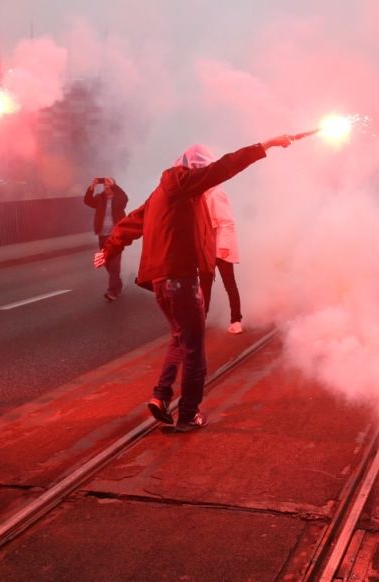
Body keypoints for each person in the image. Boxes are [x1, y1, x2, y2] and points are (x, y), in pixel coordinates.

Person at [94, 134, 294, 432]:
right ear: (189, 167)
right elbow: (225, 167)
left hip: (161, 282)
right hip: (181, 280)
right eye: (201, 168)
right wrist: (265, 145)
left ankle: (161, 397)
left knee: (180, 338)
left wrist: (109, 249)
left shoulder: (164, 191)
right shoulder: (184, 183)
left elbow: (131, 223)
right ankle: (188, 414)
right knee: (195, 349)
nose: (205, 175)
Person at [185, 146, 245, 334]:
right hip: (206, 247)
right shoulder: (201, 192)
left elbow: (226, 222)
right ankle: (200, 320)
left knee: (229, 284)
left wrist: (224, 248)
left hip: (219, 247)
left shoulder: (216, 193)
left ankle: (236, 320)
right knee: (204, 286)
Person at [83, 177, 128, 301]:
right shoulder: (100, 198)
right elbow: (87, 201)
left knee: (114, 264)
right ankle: (117, 285)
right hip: (102, 236)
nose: (106, 187)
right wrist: (92, 187)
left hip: (115, 237)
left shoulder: (118, 200)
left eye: (109, 185)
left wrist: (114, 186)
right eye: (105, 185)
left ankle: (112, 291)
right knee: (107, 263)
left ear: (113, 186)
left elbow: (124, 198)